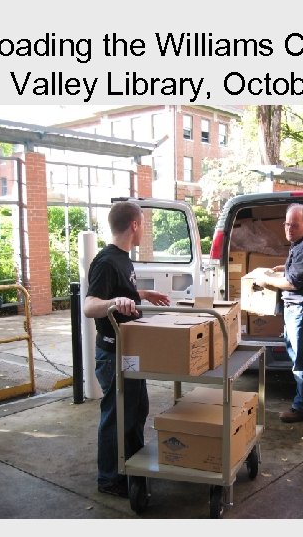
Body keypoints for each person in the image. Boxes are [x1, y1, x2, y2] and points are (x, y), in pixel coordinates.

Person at [83, 201, 170, 498]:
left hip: (130, 352)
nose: (144, 229)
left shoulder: (124, 259)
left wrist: (141, 294)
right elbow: (90, 305)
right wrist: (112, 303)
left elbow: (120, 292)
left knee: (136, 410)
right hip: (113, 353)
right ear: (134, 225)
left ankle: (132, 467)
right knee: (117, 415)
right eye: (143, 223)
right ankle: (109, 479)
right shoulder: (106, 261)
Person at [253, 203, 303, 423]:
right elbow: (297, 272)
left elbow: (293, 283)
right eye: (286, 224)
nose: (289, 229)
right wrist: (282, 268)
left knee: (301, 363)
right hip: (300, 311)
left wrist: (266, 280)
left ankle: (302, 407)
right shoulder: (300, 244)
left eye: (294, 225)